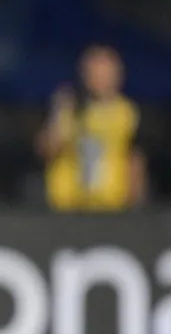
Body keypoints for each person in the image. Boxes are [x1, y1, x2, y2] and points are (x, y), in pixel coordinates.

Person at [38, 45, 146, 211]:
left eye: (105, 73)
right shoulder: (69, 109)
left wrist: (134, 202)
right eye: (94, 72)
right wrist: (58, 115)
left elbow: (135, 158)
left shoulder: (127, 112)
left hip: (112, 207)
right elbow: (47, 150)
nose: (99, 78)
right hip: (68, 207)